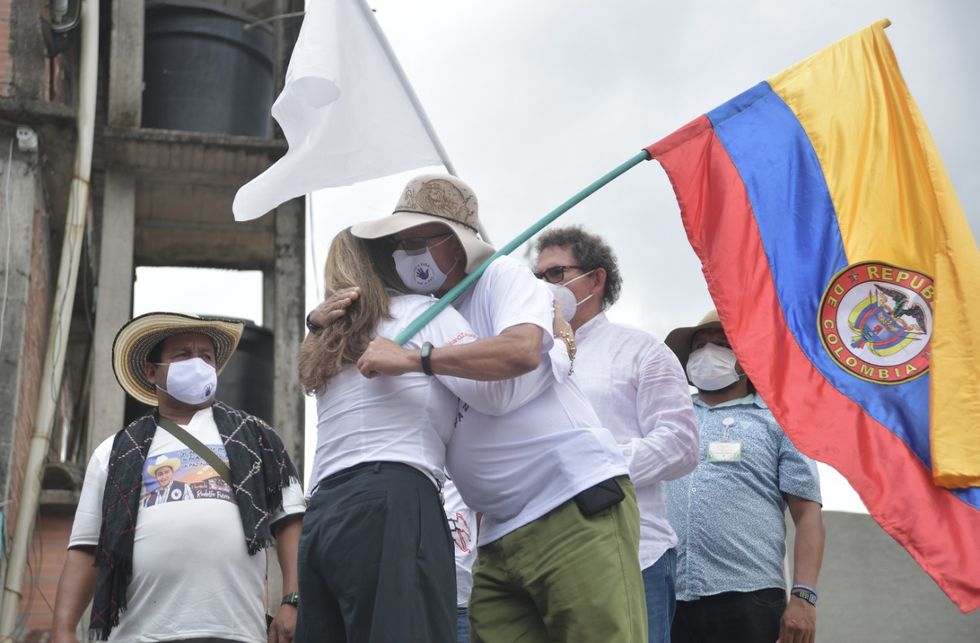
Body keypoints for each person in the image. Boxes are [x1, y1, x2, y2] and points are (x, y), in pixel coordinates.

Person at [312, 174, 646, 642]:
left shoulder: (501, 277)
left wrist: (415, 360)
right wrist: (316, 321)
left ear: (455, 244)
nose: (404, 253)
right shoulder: (417, 311)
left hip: (570, 505)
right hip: (497, 535)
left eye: (416, 240)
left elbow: (519, 353)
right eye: (399, 243)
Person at [297, 227, 526, 642]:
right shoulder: (423, 312)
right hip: (393, 501)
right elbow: (496, 393)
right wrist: (557, 342)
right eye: (400, 246)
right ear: (385, 259)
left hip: (322, 515)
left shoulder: (322, 340)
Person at [52, 313, 305, 643]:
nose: (197, 363)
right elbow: (86, 548)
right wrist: (62, 629)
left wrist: (293, 600)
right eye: (183, 354)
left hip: (236, 631)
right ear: (151, 370)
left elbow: (289, 519)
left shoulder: (254, 437)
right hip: (139, 634)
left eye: (206, 356)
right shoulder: (115, 452)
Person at [534, 226, 699, 643]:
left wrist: (592, 468)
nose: (543, 286)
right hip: (541, 561)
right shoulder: (527, 360)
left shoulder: (641, 351)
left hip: (632, 556)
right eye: (537, 278)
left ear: (595, 279)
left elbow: (681, 443)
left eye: (555, 274)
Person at [664, 310, 825, 643]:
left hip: (749, 597)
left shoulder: (779, 421)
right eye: (700, 345)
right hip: (667, 594)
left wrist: (804, 597)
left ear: (745, 356)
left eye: (722, 344)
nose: (708, 352)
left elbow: (808, 514)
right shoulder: (669, 416)